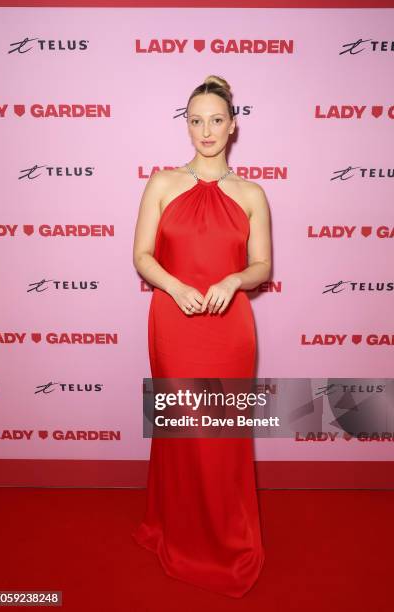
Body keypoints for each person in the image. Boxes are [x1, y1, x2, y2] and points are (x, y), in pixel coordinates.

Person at [131, 74, 272, 598]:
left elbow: (261, 266)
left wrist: (234, 278)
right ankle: (176, 529)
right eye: (196, 121)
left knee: (223, 435)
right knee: (183, 428)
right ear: (186, 126)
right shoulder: (163, 183)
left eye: (216, 120)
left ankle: (228, 539)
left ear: (233, 126)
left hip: (230, 328)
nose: (206, 130)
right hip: (173, 321)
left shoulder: (252, 193)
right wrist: (173, 286)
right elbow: (142, 255)